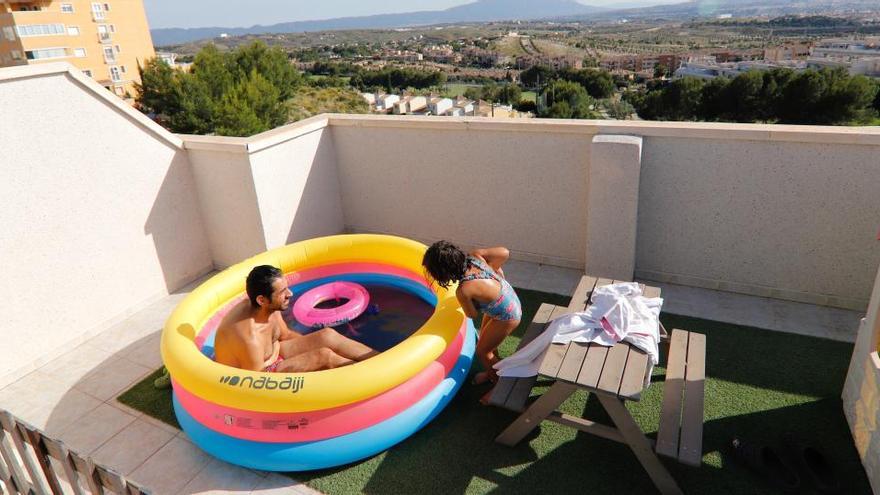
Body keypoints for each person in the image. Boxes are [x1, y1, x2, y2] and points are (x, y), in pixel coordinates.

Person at [213, 265, 377, 373]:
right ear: (262, 300)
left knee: (327, 335)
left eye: (287, 288)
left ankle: (384, 363)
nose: (290, 294)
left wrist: (310, 349)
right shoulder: (248, 338)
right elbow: (254, 387)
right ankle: (370, 381)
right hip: (262, 375)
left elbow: (286, 336)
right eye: (282, 292)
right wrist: (313, 361)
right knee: (324, 357)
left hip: (276, 353)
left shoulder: (269, 308)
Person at [422, 240, 522, 404]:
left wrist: (465, 301)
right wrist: (497, 271)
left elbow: (471, 314)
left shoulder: (464, 290)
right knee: (485, 342)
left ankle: (500, 386)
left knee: (483, 352)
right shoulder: (476, 256)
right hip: (506, 299)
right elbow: (504, 252)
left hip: (507, 315)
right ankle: (492, 373)